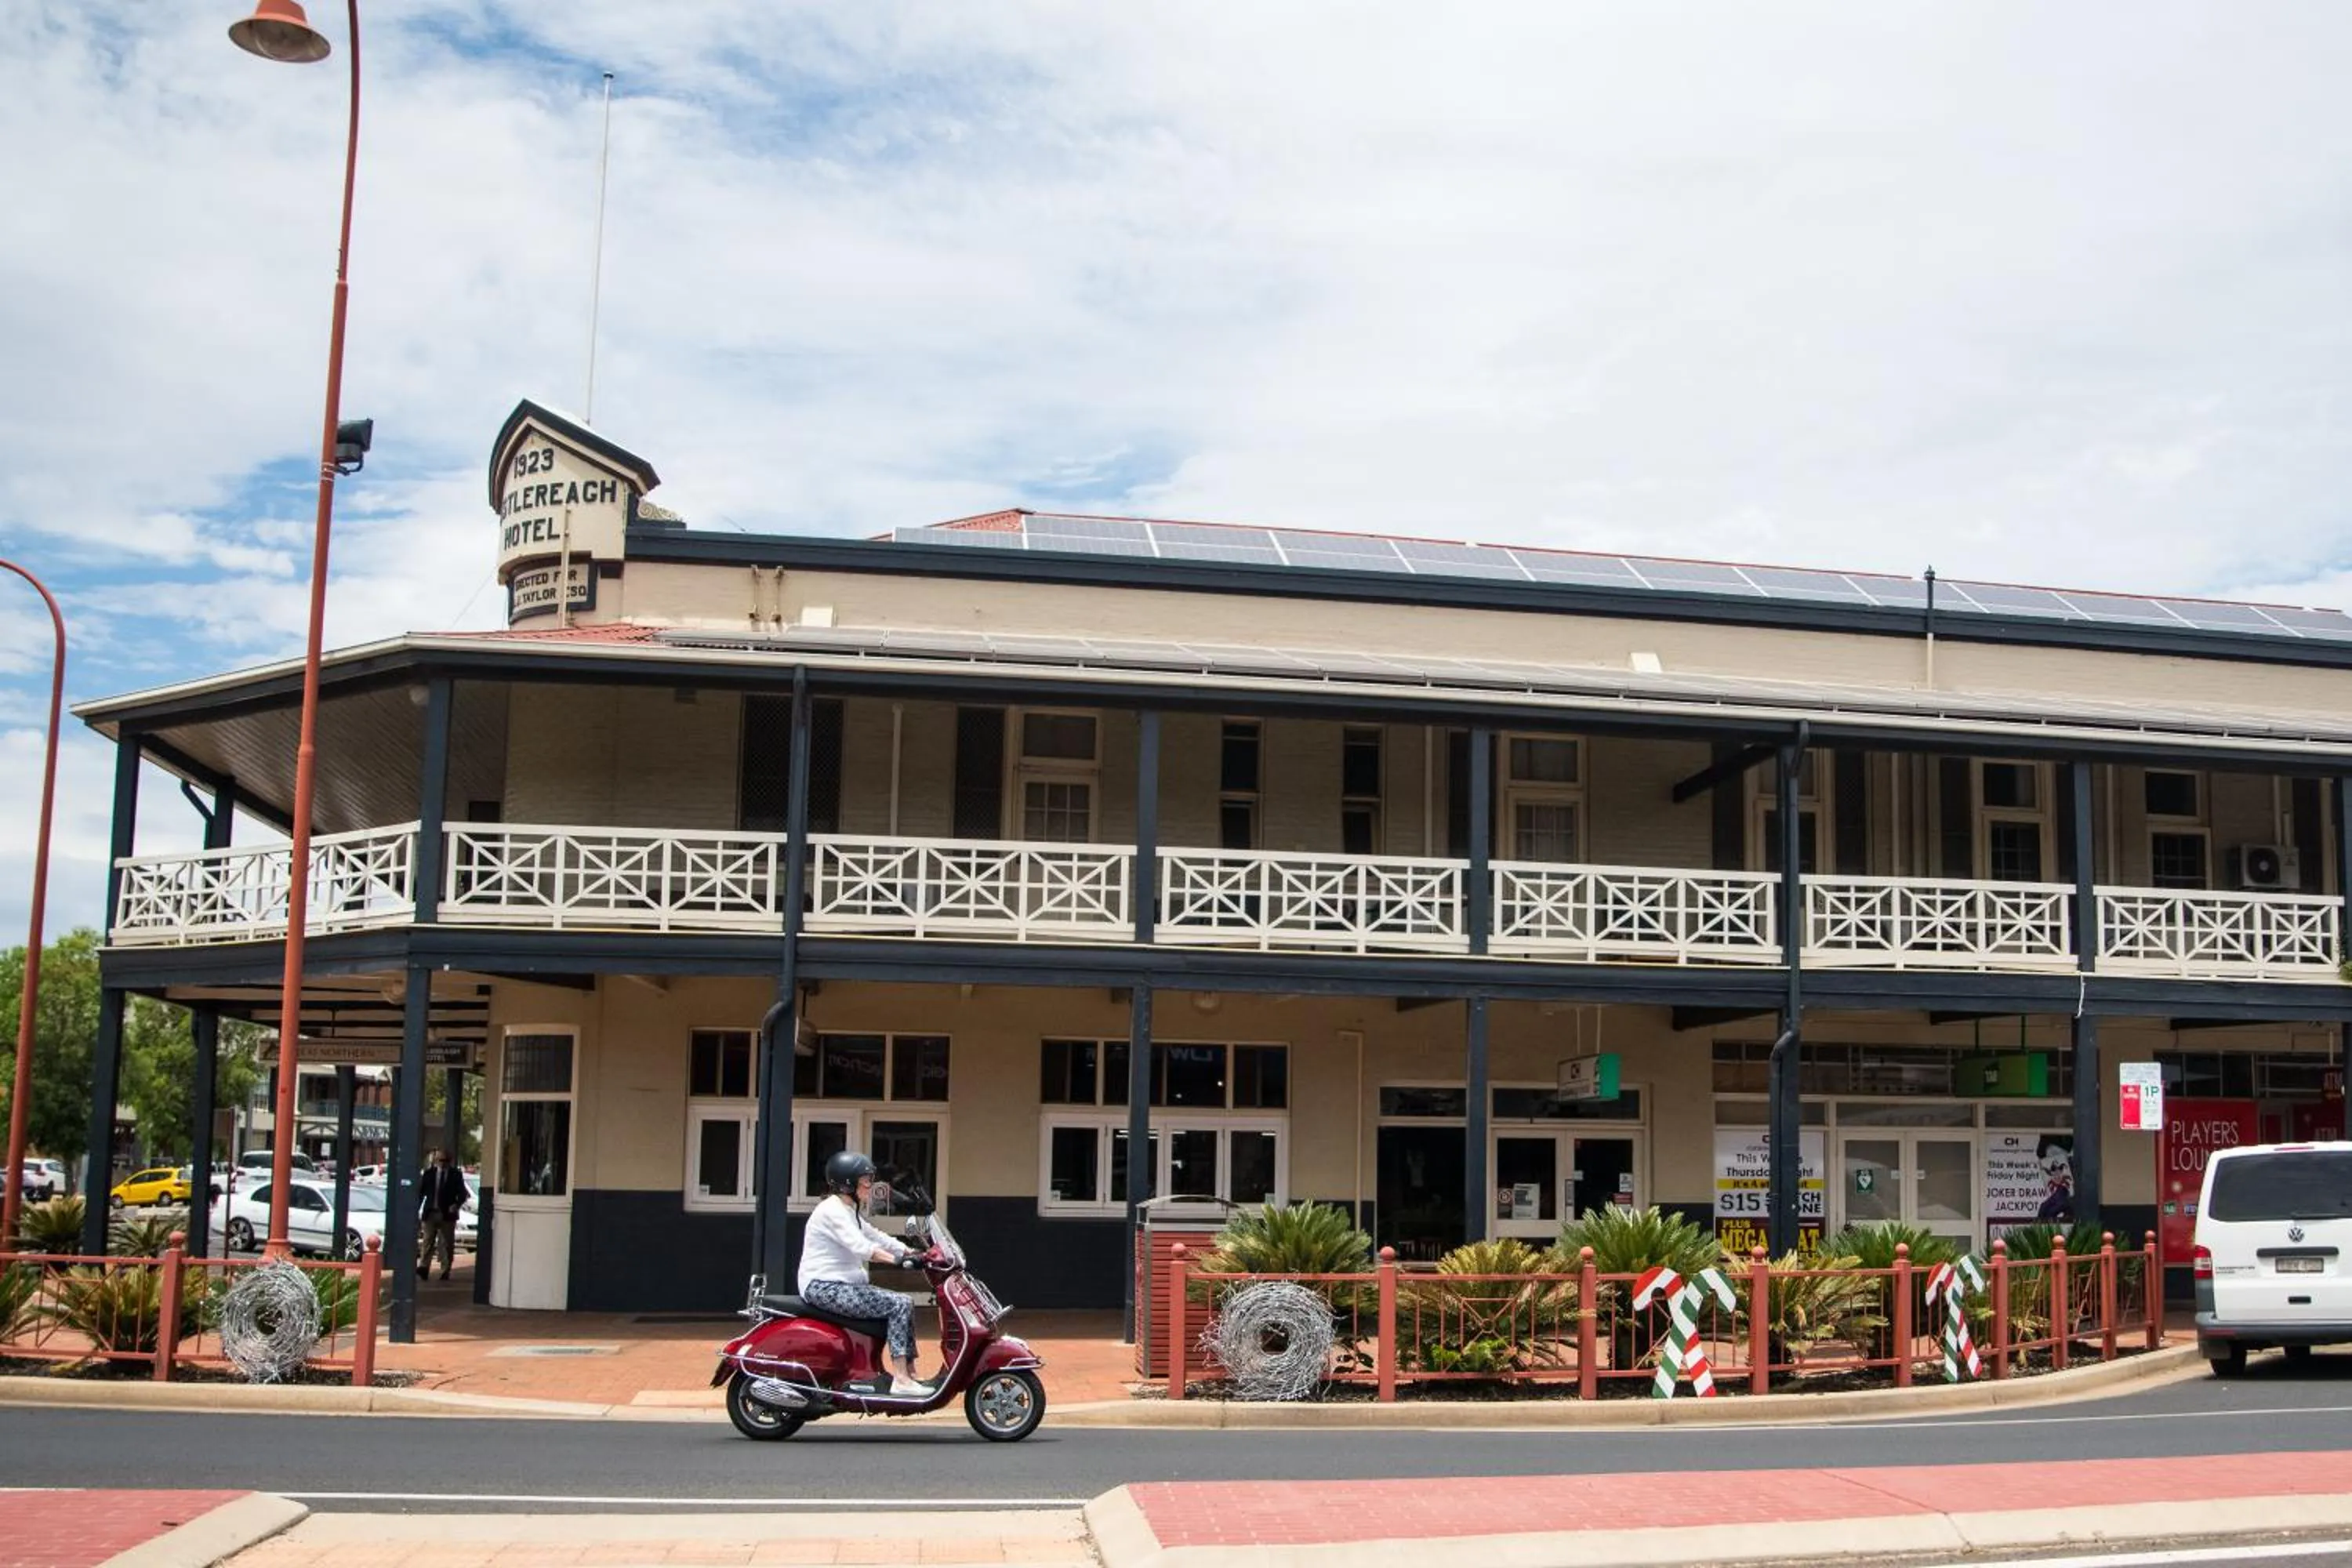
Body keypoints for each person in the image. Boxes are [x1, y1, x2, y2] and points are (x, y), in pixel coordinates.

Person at [797, 1150, 927, 1396]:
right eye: (865, 1181)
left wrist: (911, 1251)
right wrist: (899, 1261)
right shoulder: (832, 1211)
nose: (870, 1186)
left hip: (840, 1285)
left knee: (905, 1303)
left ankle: (910, 1373)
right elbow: (862, 1246)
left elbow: (874, 1235)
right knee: (898, 1305)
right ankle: (900, 1379)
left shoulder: (848, 1210)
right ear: (848, 1184)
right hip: (824, 1287)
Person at [417, 1149, 467, 1281]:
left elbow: (463, 1193)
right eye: (440, 1160)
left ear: (449, 1161)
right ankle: (424, 1267)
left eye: (446, 1161)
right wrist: (416, 1209)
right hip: (431, 1213)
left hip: (447, 1215)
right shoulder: (429, 1174)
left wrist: (456, 1204)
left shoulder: (455, 1175)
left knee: (447, 1244)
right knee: (428, 1241)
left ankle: (446, 1269)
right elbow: (421, 1193)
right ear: (436, 1161)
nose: (443, 1163)